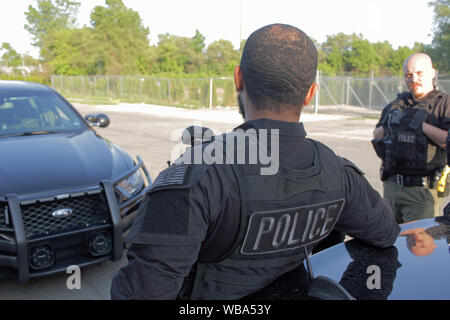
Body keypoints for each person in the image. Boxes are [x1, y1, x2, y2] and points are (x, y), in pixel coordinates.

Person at [110, 23, 400, 300]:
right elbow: (386, 233)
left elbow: (143, 290)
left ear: (239, 79)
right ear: (310, 93)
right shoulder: (338, 173)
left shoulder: (197, 176)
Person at [372, 53, 450, 224]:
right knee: (389, 240)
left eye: (419, 73)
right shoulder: (397, 104)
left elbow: (447, 140)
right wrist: (393, 125)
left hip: (422, 192)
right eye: (408, 75)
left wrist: (421, 126)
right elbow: (377, 134)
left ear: (432, 73)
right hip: (391, 187)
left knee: (420, 246)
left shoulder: (443, 104)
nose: (413, 79)